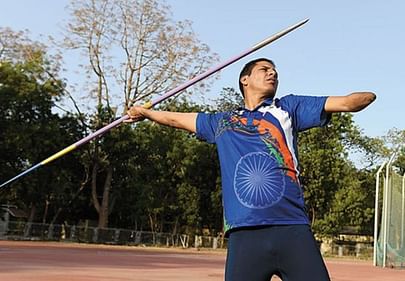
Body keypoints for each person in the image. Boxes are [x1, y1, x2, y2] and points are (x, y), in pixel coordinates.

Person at [126, 58, 376, 281]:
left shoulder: (288, 108)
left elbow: (346, 103)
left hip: (292, 227)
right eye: (265, 69)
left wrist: (363, 98)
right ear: (244, 79)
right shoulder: (220, 122)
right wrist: (146, 112)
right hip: (244, 233)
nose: (273, 74)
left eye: (275, 71)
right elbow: (175, 119)